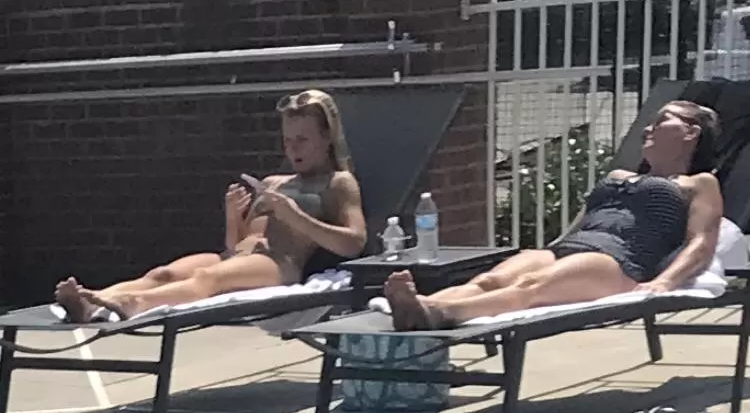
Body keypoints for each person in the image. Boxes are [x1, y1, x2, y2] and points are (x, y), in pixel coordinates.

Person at [385, 100, 724, 331]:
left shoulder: (698, 183)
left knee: (531, 286)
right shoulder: (620, 175)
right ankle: (418, 306)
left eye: (661, 121)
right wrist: (548, 251)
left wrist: (663, 282)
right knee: (488, 281)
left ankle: (440, 313)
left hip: (617, 260)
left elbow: (701, 243)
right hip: (568, 249)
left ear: (691, 132)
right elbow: (582, 222)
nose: (648, 129)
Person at [55, 90, 367, 323]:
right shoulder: (274, 182)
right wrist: (233, 216)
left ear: (327, 137)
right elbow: (236, 244)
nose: (292, 149)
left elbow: (354, 243)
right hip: (239, 256)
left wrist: (293, 216)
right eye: (287, 140)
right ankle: (91, 301)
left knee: (207, 278)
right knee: (163, 273)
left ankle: (131, 302)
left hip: (279, 264)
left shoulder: (337, 183)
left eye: (302, 140)